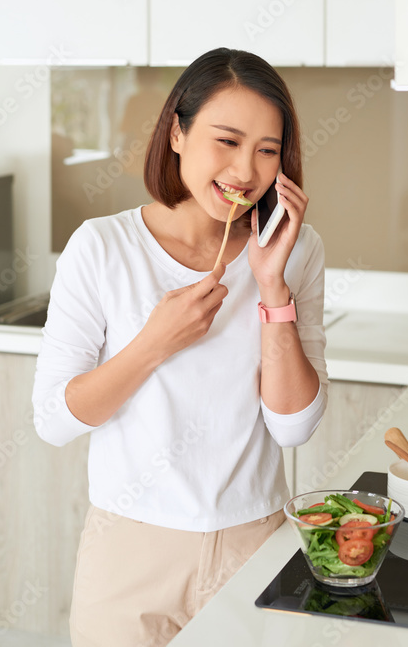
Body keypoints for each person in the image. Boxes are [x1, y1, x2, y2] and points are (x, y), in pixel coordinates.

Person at [32, 47, 328, 647]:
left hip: (255, 541)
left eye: (267, 150)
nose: (246, 171)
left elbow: (294, 427)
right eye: (226, 140)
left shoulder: (296, 250)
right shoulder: (102, 247)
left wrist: (272, 286)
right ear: (176, 132)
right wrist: (153, 344)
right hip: (130, 552)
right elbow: (53, 420)